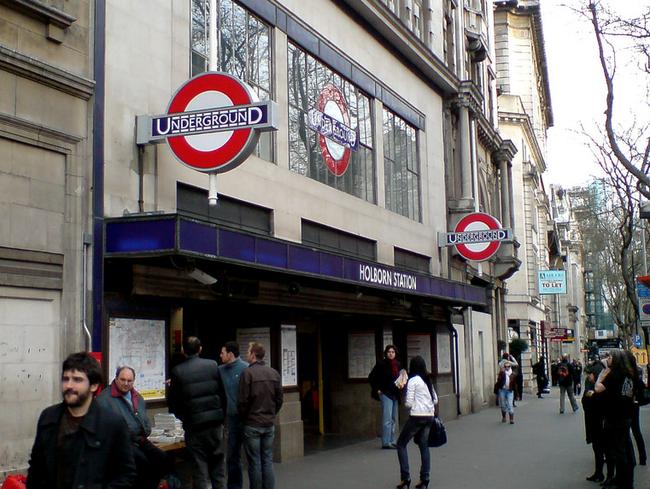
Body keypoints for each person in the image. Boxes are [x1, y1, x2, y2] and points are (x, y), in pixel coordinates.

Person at [26, 352, 136, 489]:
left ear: (94, 386)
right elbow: (36, 468)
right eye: (66, 379)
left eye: (77, 380)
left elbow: (125, 474)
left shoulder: (112, 424)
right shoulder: (49, 418)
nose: (69, 385)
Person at [168, 336, 227, 489]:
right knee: (218, 466)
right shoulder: (213, 365)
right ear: (200, 349)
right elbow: (222, 394)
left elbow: (174, 404)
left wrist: (185, 419)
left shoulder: (178, 371)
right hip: (215, 424)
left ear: (183, 351)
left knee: (199, 469)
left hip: (194, 427)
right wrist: (221, 417)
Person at [96, 364, 167, 489]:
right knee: (142, 463)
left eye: (129, 381)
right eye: (123, 380)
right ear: (116, 379)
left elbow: (144, 420)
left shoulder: (136, 396)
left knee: (162, 458)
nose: (126, 383)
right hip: (121, 444)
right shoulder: (104, 399)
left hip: (140, 439)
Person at [238, 342, 283, 489]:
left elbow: (242, 401)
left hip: (252, 423)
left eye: (248, 352)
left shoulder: (247, 374)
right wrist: (271, 413)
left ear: (253, 355)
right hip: (268, 424)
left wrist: (245, 417)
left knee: (255, 461)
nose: (246, 355)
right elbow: (279, 400)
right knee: (267, 460)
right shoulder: (274, 373)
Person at [595, 349, 636, 489]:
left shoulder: (613, 375)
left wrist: (602, 377)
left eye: (611, 356)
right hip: (626, 415)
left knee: (618, 451)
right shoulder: (628, 374)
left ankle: (623, 481)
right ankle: (627, 480)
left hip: (614, 416)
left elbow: (598, 389)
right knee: (624, 448)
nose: (608, 358)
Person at [395, 355, 437, 489]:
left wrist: (409, 398)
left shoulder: (413, 380)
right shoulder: (427, 380)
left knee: (401, 444)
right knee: (424, 446)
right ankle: (425, 479)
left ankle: (405, 477)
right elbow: (435, 399)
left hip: (417, 416)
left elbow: (408, 403)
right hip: (429, 416)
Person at [219, 341, 249, 489]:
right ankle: (234, 486)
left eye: (222, 353)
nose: (220, 355)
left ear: (230, 354)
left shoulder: (246, 369)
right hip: (231, 418)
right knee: (232, 456)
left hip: (247, 418)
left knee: (252, 456)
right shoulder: (220, 370)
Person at [582, 360, 612, 483]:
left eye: (589, 375)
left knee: (603, 449)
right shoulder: (594, 385)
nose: (588, 378)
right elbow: (586, 397)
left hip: (599, 422)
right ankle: (599, 473)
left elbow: (589, 399)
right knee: (598, 449)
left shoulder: (600, 387)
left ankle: (606, 476)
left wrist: (591, 395)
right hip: (595, 422)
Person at [368, 344, 403, 448]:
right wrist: (377, 389)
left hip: (395, 394)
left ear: (395, 353)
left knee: (393, 419)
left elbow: (401, 378)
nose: (391, 354)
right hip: (386, 393)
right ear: (386, 353)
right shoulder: (381, 364)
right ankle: (386, 442)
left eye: (393, 352)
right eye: (389, 352)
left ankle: (392, 440)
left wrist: (401, 385)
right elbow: (371, 377)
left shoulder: (398, 364)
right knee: (387, 419)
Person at [625, 350, 647, 466]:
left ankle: (631, 458)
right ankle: (643, 458)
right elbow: (642, 385)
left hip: (629, 405)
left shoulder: (627, 373)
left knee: (627, 432)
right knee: (636, 431)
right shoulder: (637, 371)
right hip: (635, 404)